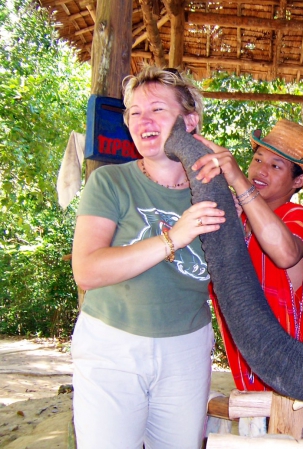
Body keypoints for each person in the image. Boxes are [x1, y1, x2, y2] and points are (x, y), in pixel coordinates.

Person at [71, 66, 225, 448]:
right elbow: (87, 271)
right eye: (134, 112)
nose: (144, 121)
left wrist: (235, 182)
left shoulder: (218, 192)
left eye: (157, 109)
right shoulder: (110, 181)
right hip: (111, 346)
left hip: (186, 350)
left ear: (189, 120)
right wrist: (174, 238)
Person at [191, 119, 303, 439]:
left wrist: (239, 183)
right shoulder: (234, 221)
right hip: (251, 379)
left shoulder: (297, 217)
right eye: (257, 159)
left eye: (276, 165)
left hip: (296, 383)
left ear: (298, 182)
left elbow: (284, 254)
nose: (261, 170)